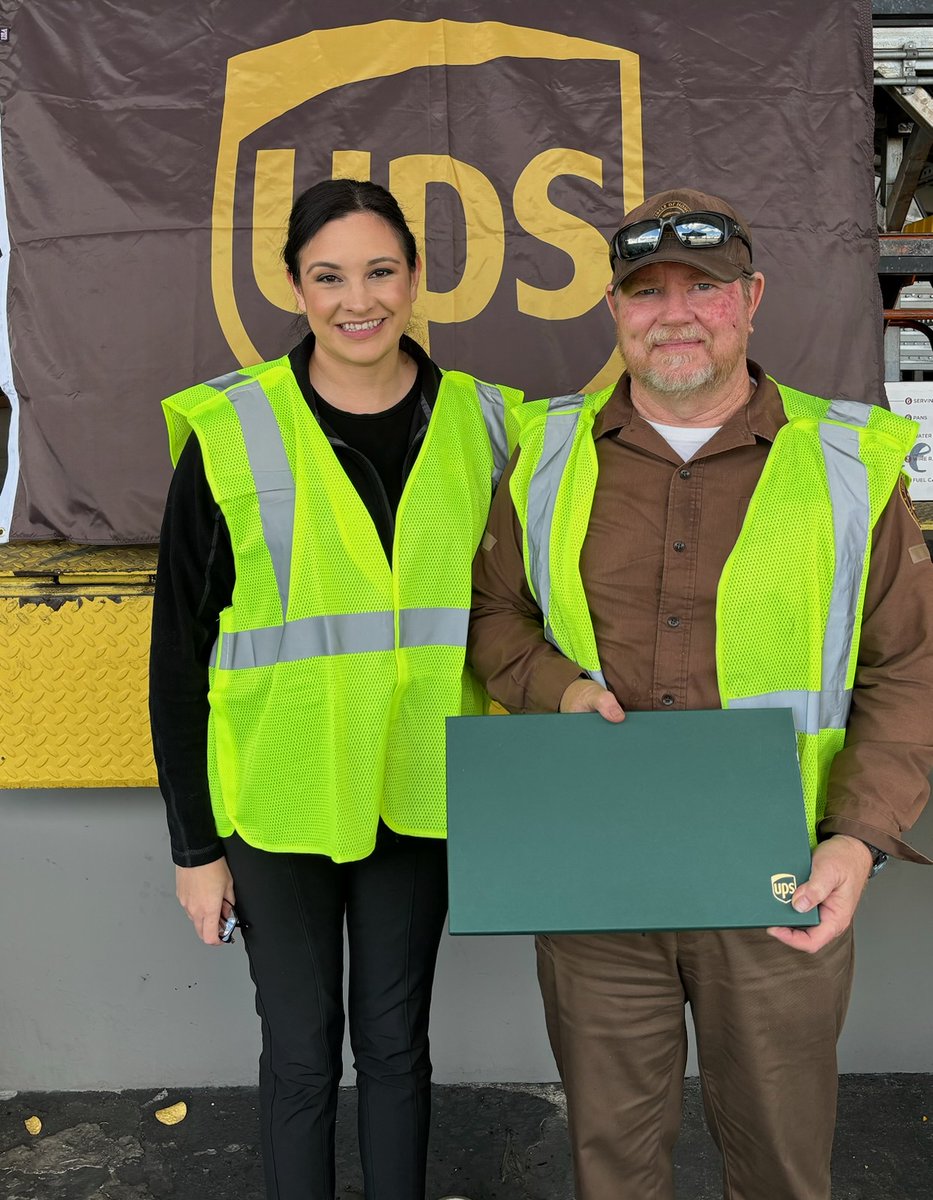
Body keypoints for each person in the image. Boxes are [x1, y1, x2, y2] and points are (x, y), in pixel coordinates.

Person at [467, 186, 933, 1200]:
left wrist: (855, 840)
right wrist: (557, 688)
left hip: (779, 885)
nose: (675, 313)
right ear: (614, 310)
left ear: (753, 298)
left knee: (779, 1166)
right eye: (646, 291)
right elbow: (493, 618)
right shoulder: (545, 456)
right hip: (599, 882)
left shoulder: (849, 463)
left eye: (705, 289)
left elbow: (907, 668)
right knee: (614, 1168)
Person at [149, 178, 520, 1200]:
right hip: (281, 803)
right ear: (294, 286)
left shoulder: (489, 427)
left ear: (415, 278)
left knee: (398, 1046)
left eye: (380, 270)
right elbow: (176, 655)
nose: (359, 299)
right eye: (329, 276)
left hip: (420, 795)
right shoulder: (233, 430)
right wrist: (195, 846)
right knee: (302, 1053)